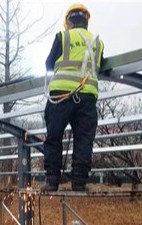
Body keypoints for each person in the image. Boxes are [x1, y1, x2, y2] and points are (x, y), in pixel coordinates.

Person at [42, 3, 104, 192]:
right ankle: (79, 182)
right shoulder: (97, 42)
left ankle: (52, 181)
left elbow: (49, 64)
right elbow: (99, 66)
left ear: (68, 22)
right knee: (84, 140)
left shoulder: (63, 36)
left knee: (54, 137)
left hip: (61, 94)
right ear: (86, 21)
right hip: (87, 97)